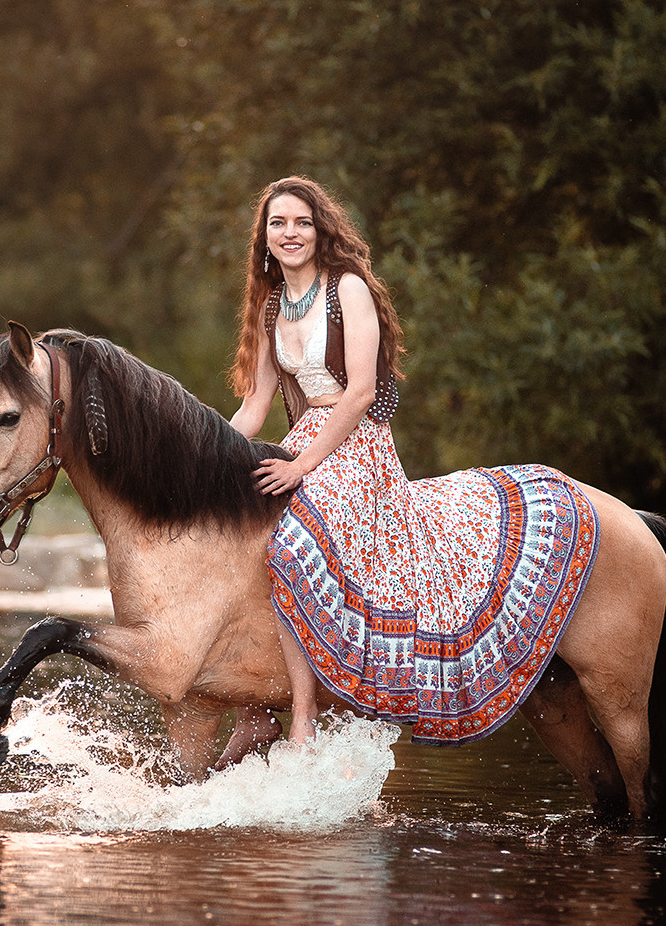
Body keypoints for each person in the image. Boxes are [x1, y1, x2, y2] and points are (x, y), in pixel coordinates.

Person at [224, 175, 599, 761]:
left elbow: (361, 392)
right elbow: (255, 406)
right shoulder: (271, 306)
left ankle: (303, 713)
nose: (290, 233)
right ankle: (252, 707)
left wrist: (302, 467)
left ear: (320, 229)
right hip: (302, 438)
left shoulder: (345, 289)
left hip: (358, 440)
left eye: (301, 221)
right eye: (278, 223)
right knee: (241, 529)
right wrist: (205, 449)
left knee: (289, 543)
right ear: (264, 237)